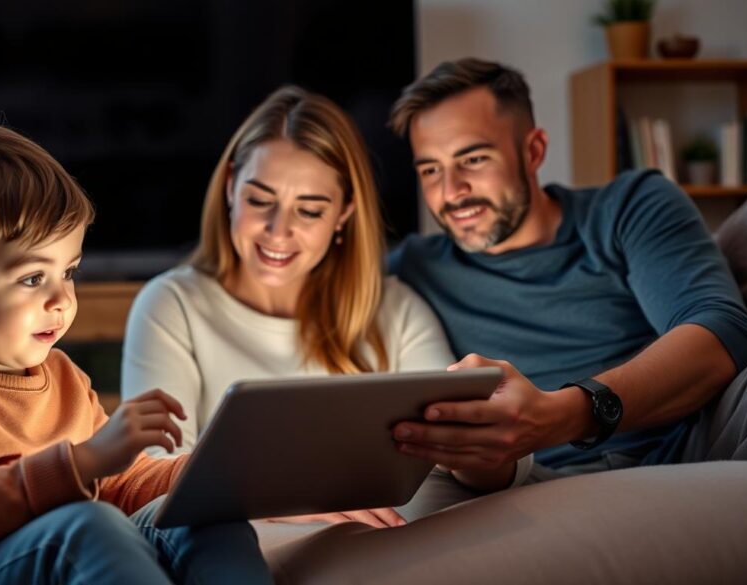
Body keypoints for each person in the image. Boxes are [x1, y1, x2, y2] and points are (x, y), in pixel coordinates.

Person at [0, 124, 273, 585]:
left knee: (205, 518)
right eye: (33, 278)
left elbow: (118, 485)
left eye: (68, 272)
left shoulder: (62, 375)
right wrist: (86, 460)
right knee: (88, 527)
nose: (62, 300)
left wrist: (219, 472)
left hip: (57, 551)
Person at [121, 85, 533, 526]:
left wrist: (481, 450)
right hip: (242, 546)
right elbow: (153, 478)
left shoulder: (393, 309)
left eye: (310, 211)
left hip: (381, 544)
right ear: (229, 187)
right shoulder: (172, 305)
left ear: (344, 213)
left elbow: (469, 461)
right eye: (259, 201)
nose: (278, 232)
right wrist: (288, 500)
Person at [386, 58, 747, 483]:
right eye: (431, 170)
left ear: (533, 151)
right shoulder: (413, 267)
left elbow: (725, 331)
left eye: (472, 159)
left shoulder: (629, 206)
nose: (451, 192)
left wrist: (564, 413)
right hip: (534, 481)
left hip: (690, 446)